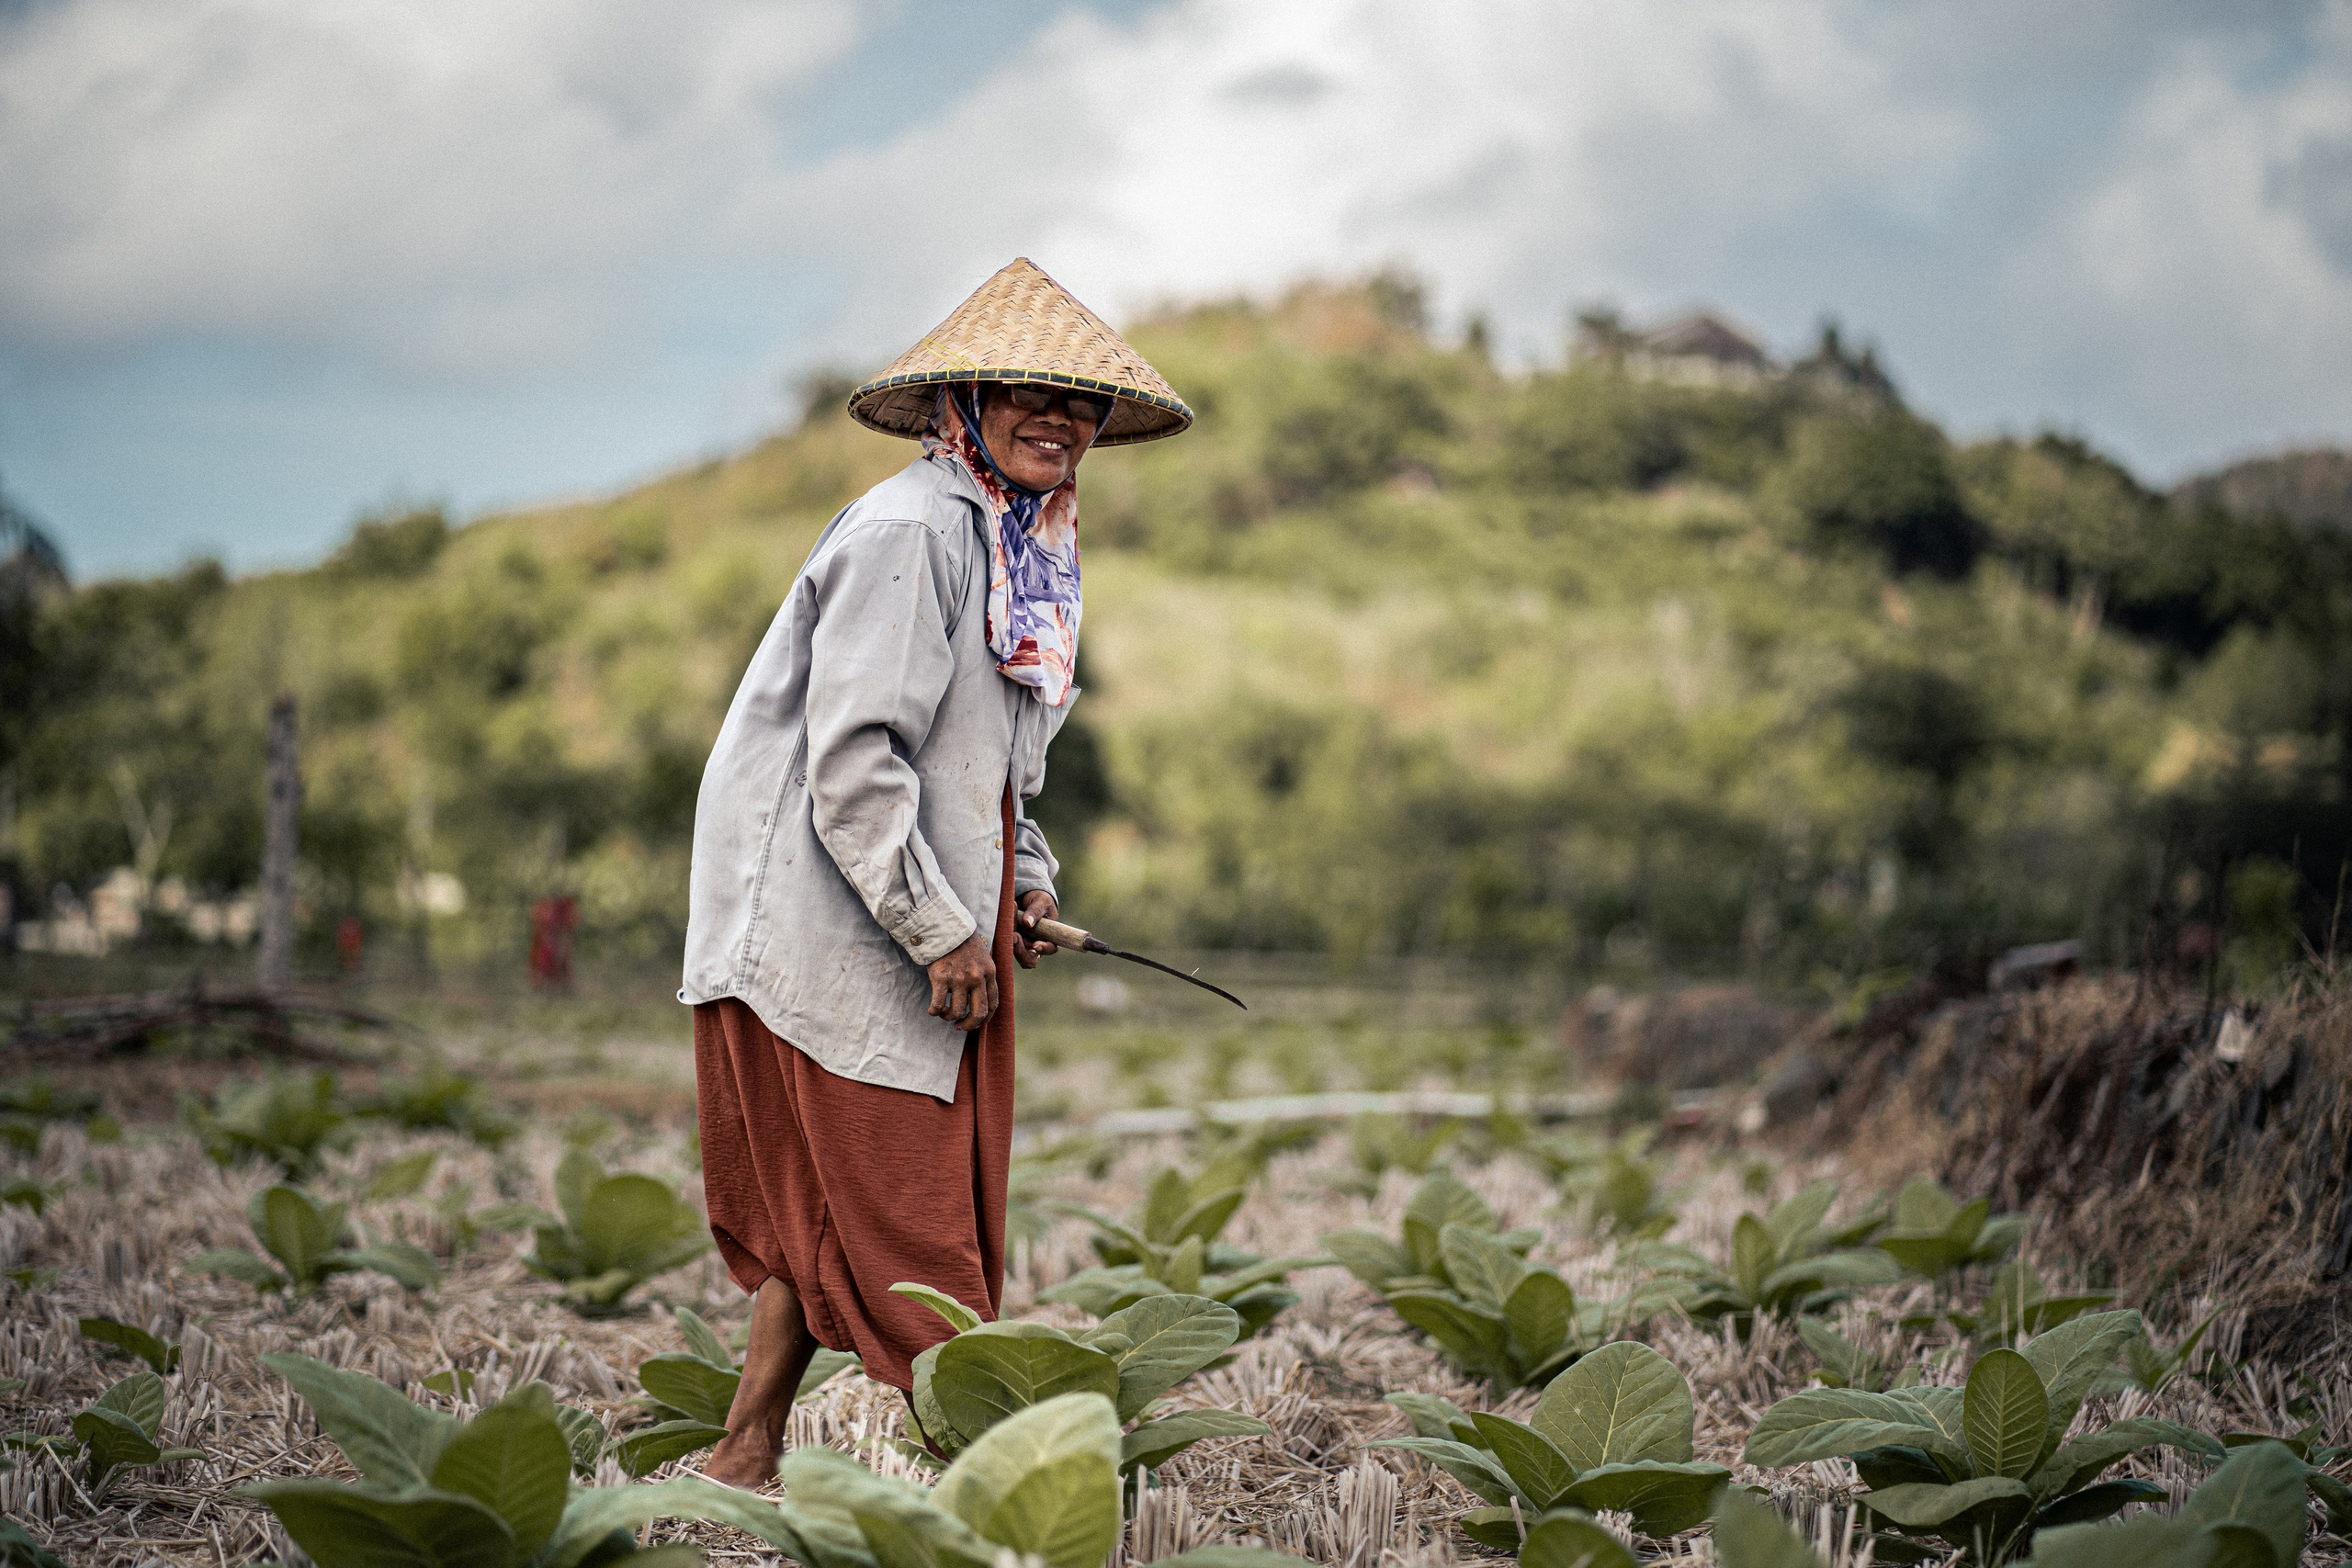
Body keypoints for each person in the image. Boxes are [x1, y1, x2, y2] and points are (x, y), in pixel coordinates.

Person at [679, 258, 1193, 1486]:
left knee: (832, 1206)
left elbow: (999, 765)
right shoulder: (912, 532)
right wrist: (937, 926)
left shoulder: (1023, 549)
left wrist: (1021, 881)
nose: (1058, 421)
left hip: (900, 909)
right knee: (913, 1227)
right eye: (1027, 394)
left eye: (1080, 405)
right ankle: (1007, 1495)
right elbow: (857, 762)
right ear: (964, 402)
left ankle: (745, 1449)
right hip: (828, 919)